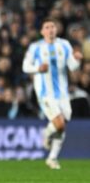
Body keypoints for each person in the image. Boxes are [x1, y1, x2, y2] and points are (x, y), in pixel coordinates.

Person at [22, 17, 83, 169]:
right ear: (42, 31)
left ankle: (52, 158)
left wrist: (77, 60)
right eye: (47, 27)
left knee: (61, 126)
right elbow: (25, 67)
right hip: (45, 93)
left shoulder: (64, 45)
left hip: (63, 93)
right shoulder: (35, 47)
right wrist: (37, 69)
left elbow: (73, 67)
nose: (50, 30)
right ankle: (47, 133)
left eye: (52, 27)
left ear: (57, 30)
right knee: (59, 123)